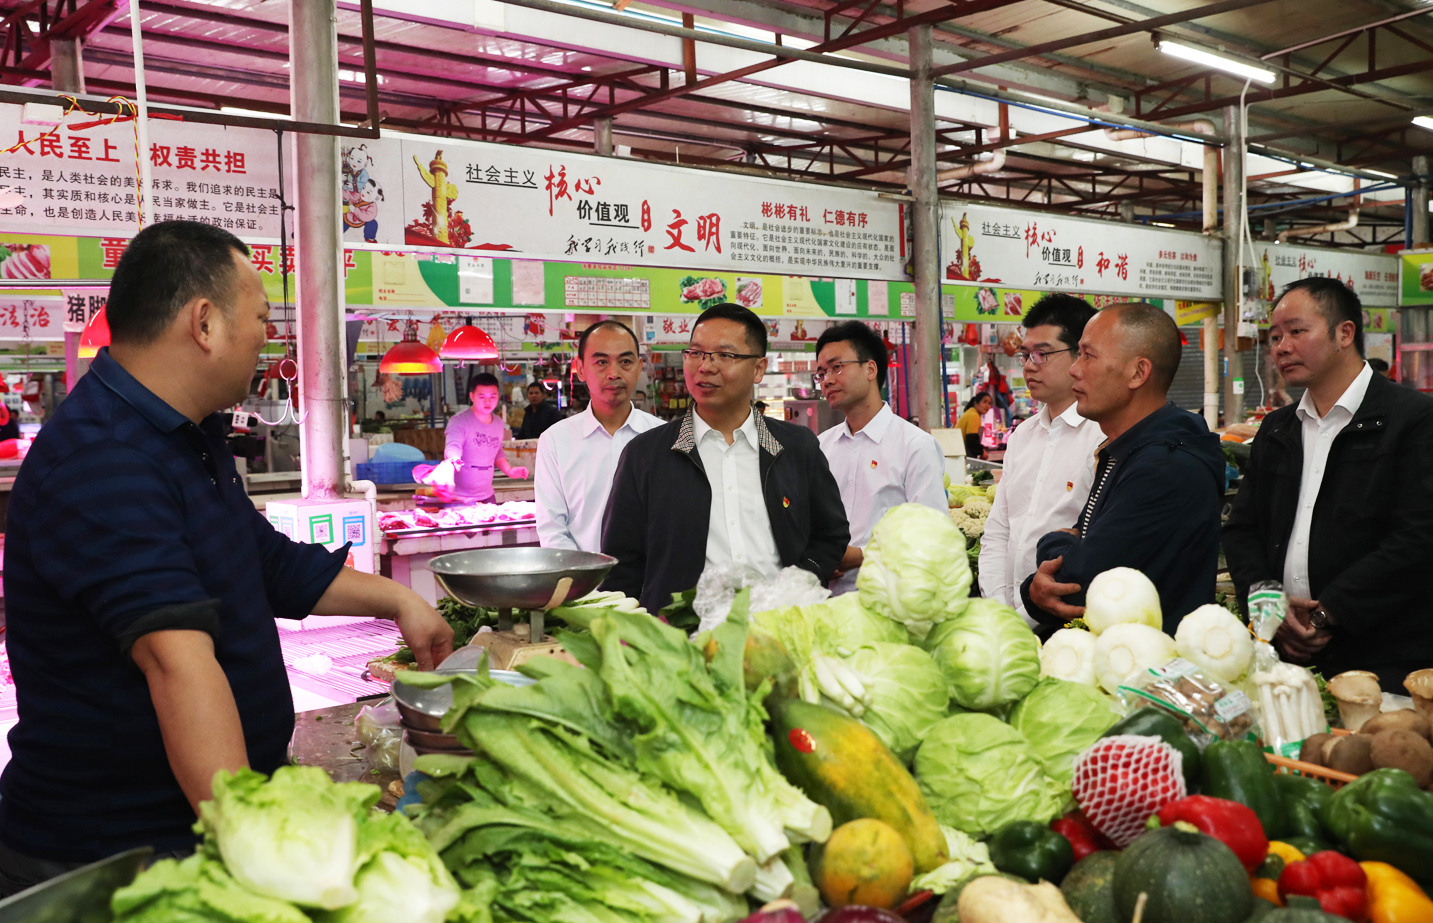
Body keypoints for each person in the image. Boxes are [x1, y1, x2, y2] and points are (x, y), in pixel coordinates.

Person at [0, 221, 454, 893]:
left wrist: (398, 599)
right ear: (204, 323)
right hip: (119, 858)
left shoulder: (185, 434)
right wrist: (264, 852)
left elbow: (263, 561)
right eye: (262, 319)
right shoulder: (102, 457)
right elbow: (177, 664)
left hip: (183, 831)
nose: (268, 341)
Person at [1224, 278, 1433, 688]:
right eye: (1275, 336)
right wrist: (1269, 601)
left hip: (1386, 662)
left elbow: (1419, 536)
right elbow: (1243, 528)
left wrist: (1329, 612)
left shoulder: (1414, 420)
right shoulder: (1277, 428)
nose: (1281, 346)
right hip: (1287, 658)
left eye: (1297, 331)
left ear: (1344, 333)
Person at [602, 303, 849, 613]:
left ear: (758, 368)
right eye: (696, 353)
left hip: (783, 627)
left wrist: (802, 580)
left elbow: (831, 534)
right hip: (685, 640)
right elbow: (621, 563)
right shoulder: (645, 455)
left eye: (725, 355)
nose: (706, 366)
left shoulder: (796, 447)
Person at [1021, 302, 1224, 636]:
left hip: (1147, 667)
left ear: (1137, 373)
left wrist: (1052, 541)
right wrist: (1072, 545)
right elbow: (1083, 549)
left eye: (1088, 355)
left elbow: (1081, 581)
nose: (1075, 369)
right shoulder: (1124, 448)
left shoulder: (1164, 467)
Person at [979, 294, 1105, 623]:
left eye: (1043, 354)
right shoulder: (1022, 436)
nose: (1029, 365)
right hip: (1009, 621)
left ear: (1083, 354)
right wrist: (999, 609)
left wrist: (1027, 618)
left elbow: (1096, 545)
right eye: (1025, 355)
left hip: (1071, 618)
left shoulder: (1104, 438)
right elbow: (998, 532)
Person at [815, 321, 946, 595]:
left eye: (837, 367)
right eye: (821, 372)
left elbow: (933, 535)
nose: (827, 380)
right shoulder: (820, 446)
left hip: (889, 600)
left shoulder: (914, 445)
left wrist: (860, 556)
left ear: (870, 369)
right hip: (824, 600)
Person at [535, 321, 661, 552]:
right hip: (584, 583)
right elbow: (553, 530)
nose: (614, 374)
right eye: (601, 362)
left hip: (651, 585)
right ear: (581, 369)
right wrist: (583, 582)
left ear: (639, 366)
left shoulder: (662, 437)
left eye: (625, 362)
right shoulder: (555, 441)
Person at [445, 373, 529, 502]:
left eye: (492, 397)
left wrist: (509, 471)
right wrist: (453, 460)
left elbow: (498, 453)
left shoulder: (499, 423)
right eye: (482, 397)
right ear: (472, 396)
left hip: (488, 496)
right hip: (458, 498)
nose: (488, 402)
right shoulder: (459, 421)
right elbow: (453, 446)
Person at [958, 393, 992, 459]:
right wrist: (982, 451)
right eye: (984, 402)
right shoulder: (973, 415)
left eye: (989, 403)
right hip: (962, 454)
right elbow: (971, 439)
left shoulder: (971, 413)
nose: (987, 406)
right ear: (976, 403)